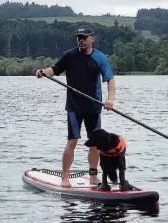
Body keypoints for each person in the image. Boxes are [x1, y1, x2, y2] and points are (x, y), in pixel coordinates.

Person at [35, 25, 116, 187]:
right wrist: (43, 72)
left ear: (92, 38)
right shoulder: (69, 56)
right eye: (79, 38)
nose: (81, 41)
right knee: (72, 140)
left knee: (95, 143)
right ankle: (65, 177)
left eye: (84, 37)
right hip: (74, 107)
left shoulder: (100, 58)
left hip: (93, 107)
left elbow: (110, 80)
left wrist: (110, 99)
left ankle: (93, 176)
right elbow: (55, 69)